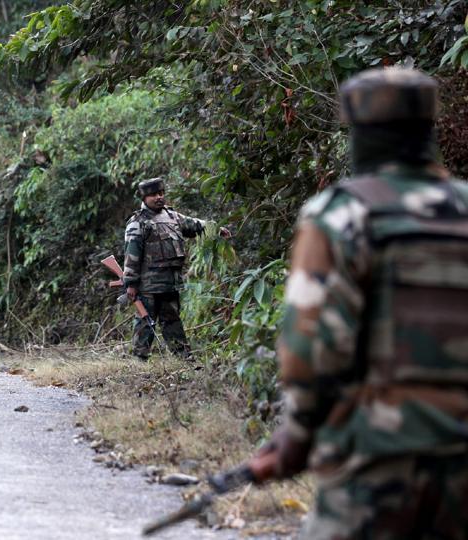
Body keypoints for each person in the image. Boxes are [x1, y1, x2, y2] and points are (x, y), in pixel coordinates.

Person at [245, 67, 468, 538]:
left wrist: (296, 437)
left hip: (377, 460)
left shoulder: (343, 214)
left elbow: (310, 352)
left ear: (359, 132)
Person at [122, 177, 230, 360]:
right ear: (144, 198)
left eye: (161, 193)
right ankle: (139, 359)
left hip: (170, 283)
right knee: (145, 322)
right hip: (148, 286)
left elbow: (196, 225)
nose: (159, 197)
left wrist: (216, 229)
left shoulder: (173, 217)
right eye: (154, 194)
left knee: (172, 321)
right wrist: (131, 283)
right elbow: (132, 255)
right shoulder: (137, 222)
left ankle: (183, 357)